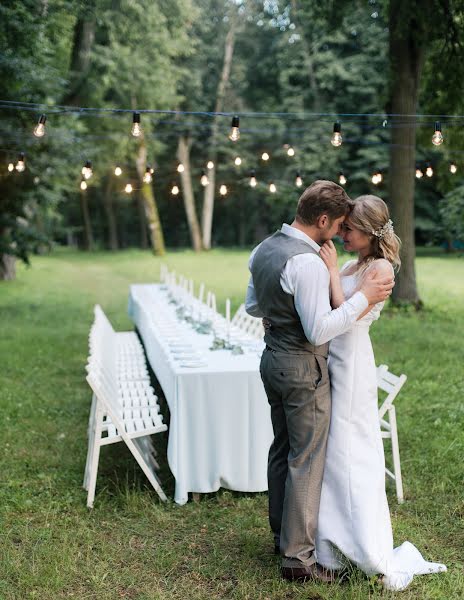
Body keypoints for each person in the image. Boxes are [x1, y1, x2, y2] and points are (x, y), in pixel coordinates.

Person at [245, 181, 394, 582]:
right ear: (324, 220)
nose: (341, 234)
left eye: (350, 228)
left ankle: (286, 534)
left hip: (274, 359)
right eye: (340, 225)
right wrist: (357, 296)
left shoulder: (264, 249)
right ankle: (298, 557)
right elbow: (318, 331)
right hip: (304, 366)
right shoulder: (308, 262)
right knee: (305, 458)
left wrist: (285, 314)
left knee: (285, 450)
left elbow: (254, 305)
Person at [315, 194, 447, 590]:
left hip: (352, 361)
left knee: (350, 449)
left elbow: (347, 314)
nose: (342, 235)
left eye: (349, 230)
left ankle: (364, 545)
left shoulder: (381, 269)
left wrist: (333, 273)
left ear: (370, 233)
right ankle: (330, 543)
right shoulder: (358, 263)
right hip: (334, 356)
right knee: (333, 452)